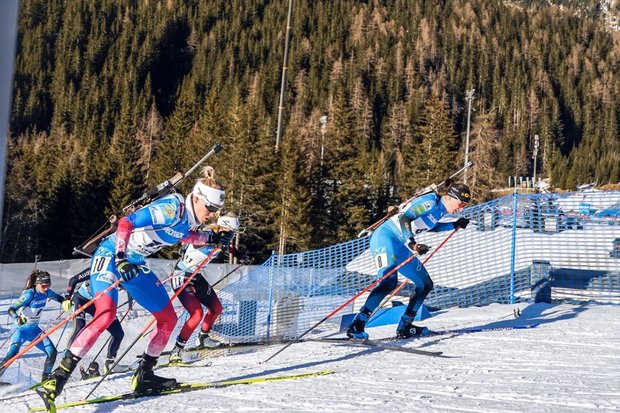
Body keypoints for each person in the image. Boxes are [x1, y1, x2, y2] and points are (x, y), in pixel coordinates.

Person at [38, 166, 230, 404]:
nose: (212, 214)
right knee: (105, 314)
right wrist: (121, 257)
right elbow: (126, 223)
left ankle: (144, 376)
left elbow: (183, 236)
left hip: (135, 262)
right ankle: (57, 379)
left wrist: (211, 238)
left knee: (168, 319)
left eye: (216, 210)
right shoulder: (172, 209)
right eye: (210, 208)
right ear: (197, 198)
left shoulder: (188, 219)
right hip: (111, 255)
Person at [346, 183, 471, 340]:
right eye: (461, 204)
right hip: (385, 238)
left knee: (425, 284)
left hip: (400, 245)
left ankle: (405, 326)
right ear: (450, 197)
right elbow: (405, 218)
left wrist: (454, 224)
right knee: (388, 282)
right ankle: (357, 324)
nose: (461, 209)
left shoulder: (441, 209)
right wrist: (413, 244)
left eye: (464, 206)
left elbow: (430, 226)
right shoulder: (430, 202)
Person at [167, 212, 250, 363]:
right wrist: (213, 242)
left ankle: (203, 337)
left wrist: (239, 255)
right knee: (196, 314)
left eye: (233, 232)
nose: (232, 235)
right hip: (182, 276)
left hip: (196, 277)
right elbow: (195, 241)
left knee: (216, 308)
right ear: (223, 227)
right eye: (231, 231)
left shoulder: (223, 237)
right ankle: (176, 350)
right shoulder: (206, 235)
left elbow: (228, 246)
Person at [63, 267, 131, 376]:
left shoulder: (120, 271)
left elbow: (127, 286)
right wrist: (67, 298)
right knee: (79, 327)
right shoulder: (97, 268)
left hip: (100, 303)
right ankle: (66, 362)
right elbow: (74, 279)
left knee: (118, 333)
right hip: (81, 300)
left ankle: (110, 364)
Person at [0, 270, 65, 382]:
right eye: (44, 286)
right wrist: (17, 318)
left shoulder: (47, 292)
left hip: (35, 331)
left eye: (48, 285)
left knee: (52, 352)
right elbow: (11, 309)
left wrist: (68, 302)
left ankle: (45, 379)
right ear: (37, 284)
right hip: (20, 331)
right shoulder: (29, 294)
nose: (46, 288)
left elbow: (61, 299)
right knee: (11, 356)